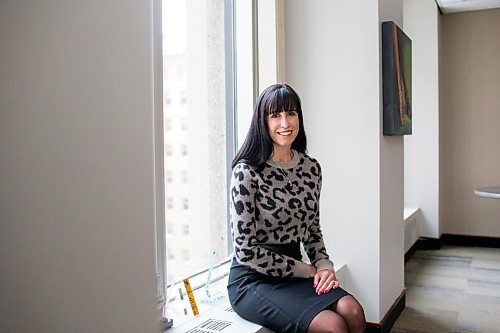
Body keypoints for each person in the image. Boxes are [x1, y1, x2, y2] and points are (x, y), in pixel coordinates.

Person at [227, 84, 366, 333]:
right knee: (332, 326)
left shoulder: (311, 169)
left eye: (291, 113)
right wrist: (307, 270)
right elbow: (245, 251)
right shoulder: (246, 173)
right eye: (275, 115)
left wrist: (324, 266)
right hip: (253, 279)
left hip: (295, 272)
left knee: (353, 310)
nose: (285, 123)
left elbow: (312, 230)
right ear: (263, 121)